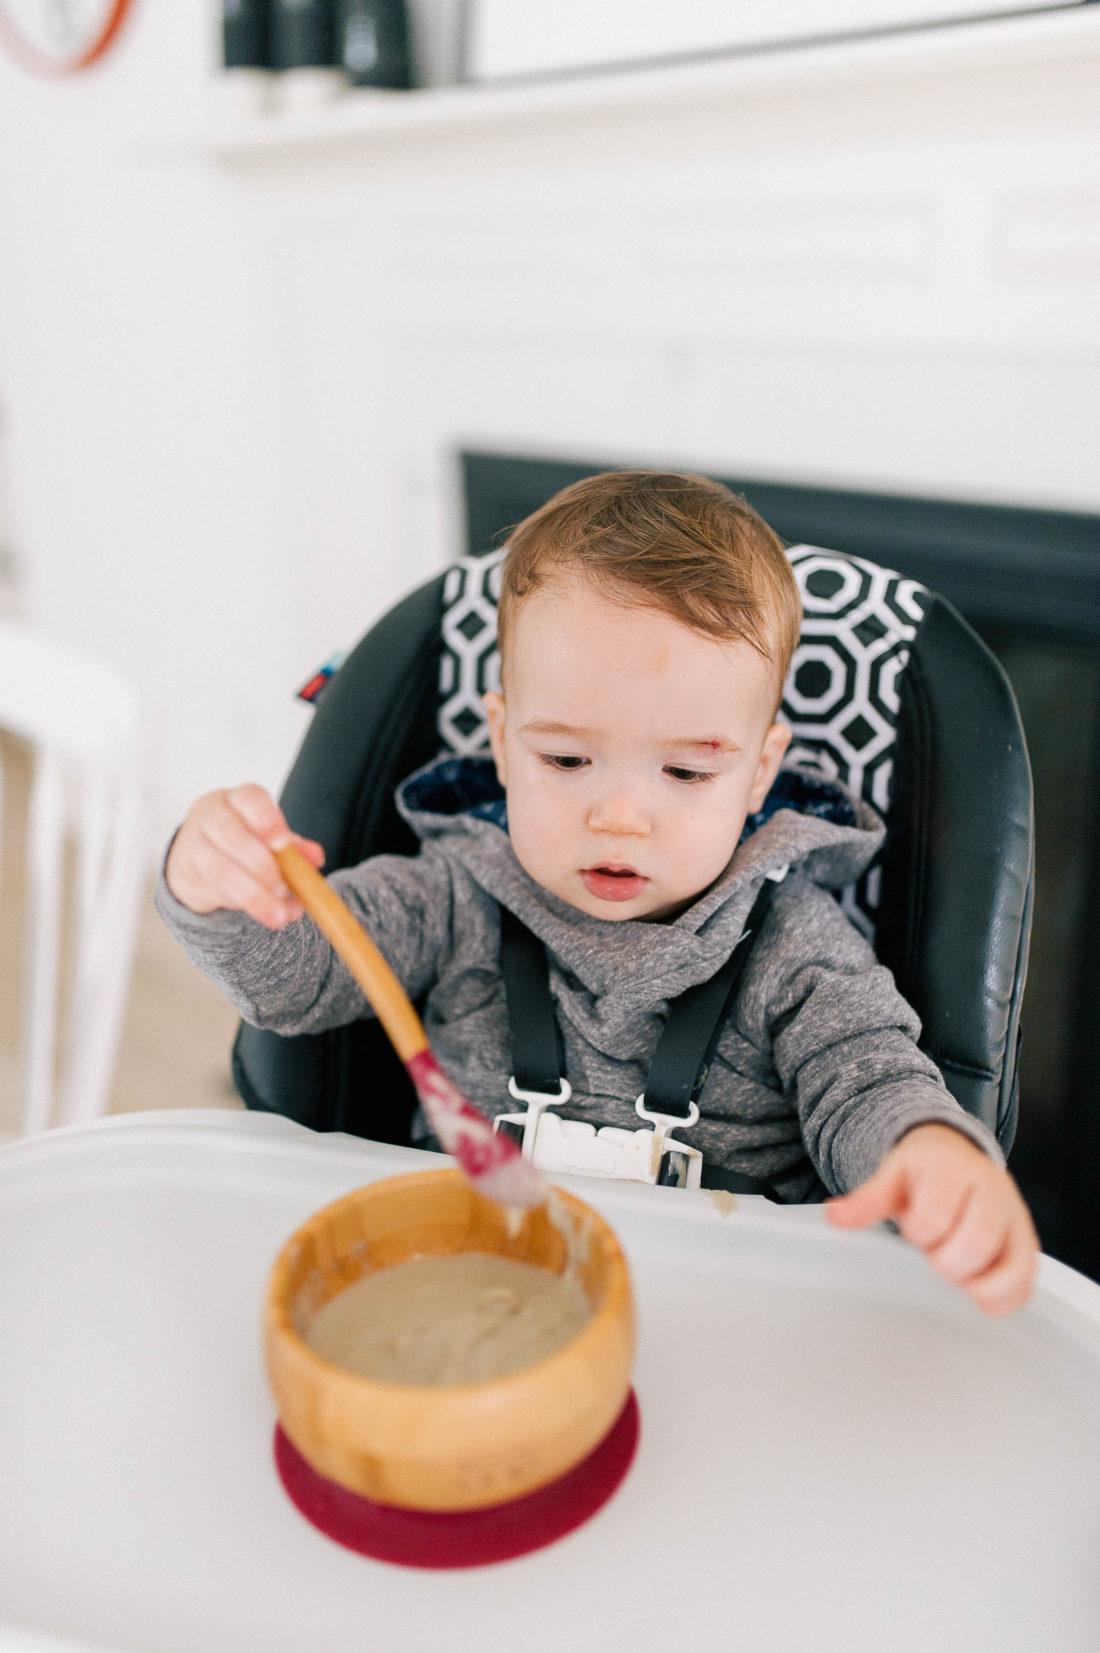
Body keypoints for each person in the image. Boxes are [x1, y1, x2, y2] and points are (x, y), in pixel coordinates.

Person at [157, 470, 1038, 1316]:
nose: (619, 816)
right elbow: (292, 980)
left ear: (759, 771)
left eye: (688, 771)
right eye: (567, 760)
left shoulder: (796, 948)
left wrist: (929, 1153)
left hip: (734, 1327)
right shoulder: (451, 895)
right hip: (469, 1292)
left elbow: (868, 1083)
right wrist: (215, 884)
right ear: (502, 744)